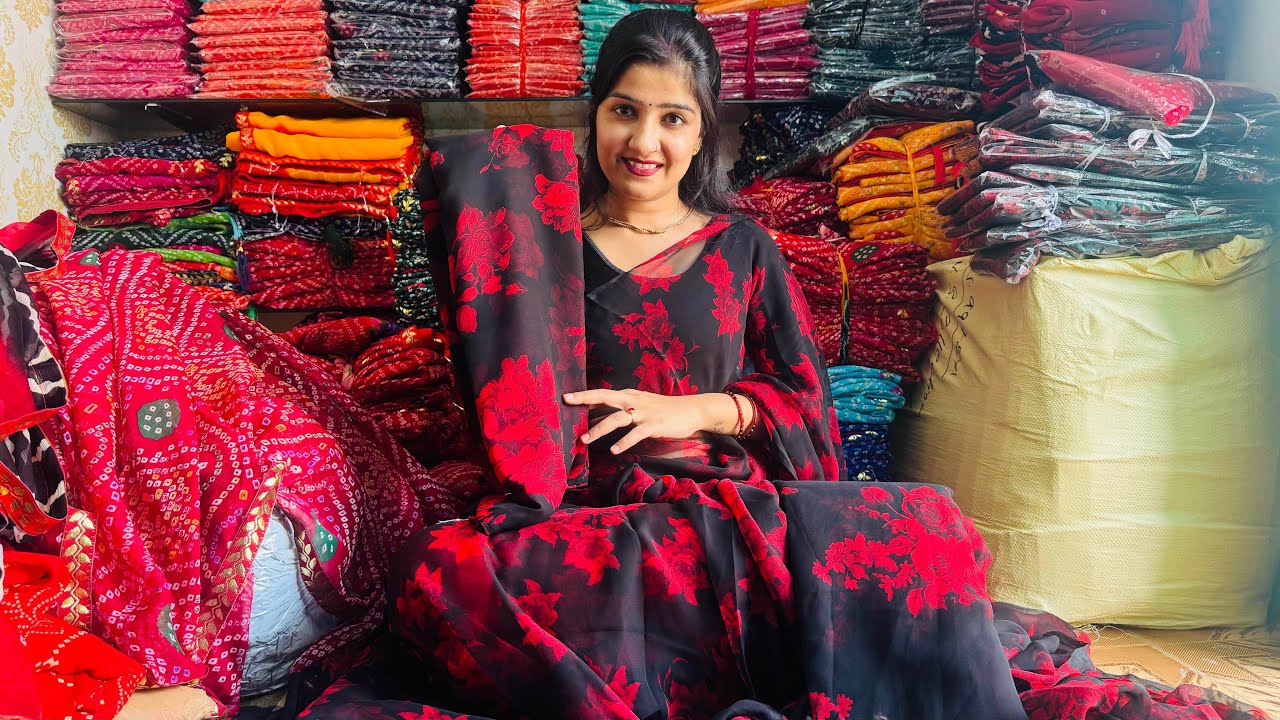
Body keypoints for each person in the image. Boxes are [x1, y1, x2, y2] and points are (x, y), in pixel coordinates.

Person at [294, 10, 1266, 720]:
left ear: (703, 129)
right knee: (443, 575)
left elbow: (804, 403)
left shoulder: (741, 248)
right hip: (585, 509)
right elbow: (496, 382)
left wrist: (696, 411)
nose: (644, 141)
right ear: (594, 116)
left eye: (673, 118)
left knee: (922, 531)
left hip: (722, 506)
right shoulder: (540, 250)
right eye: (625, 111)